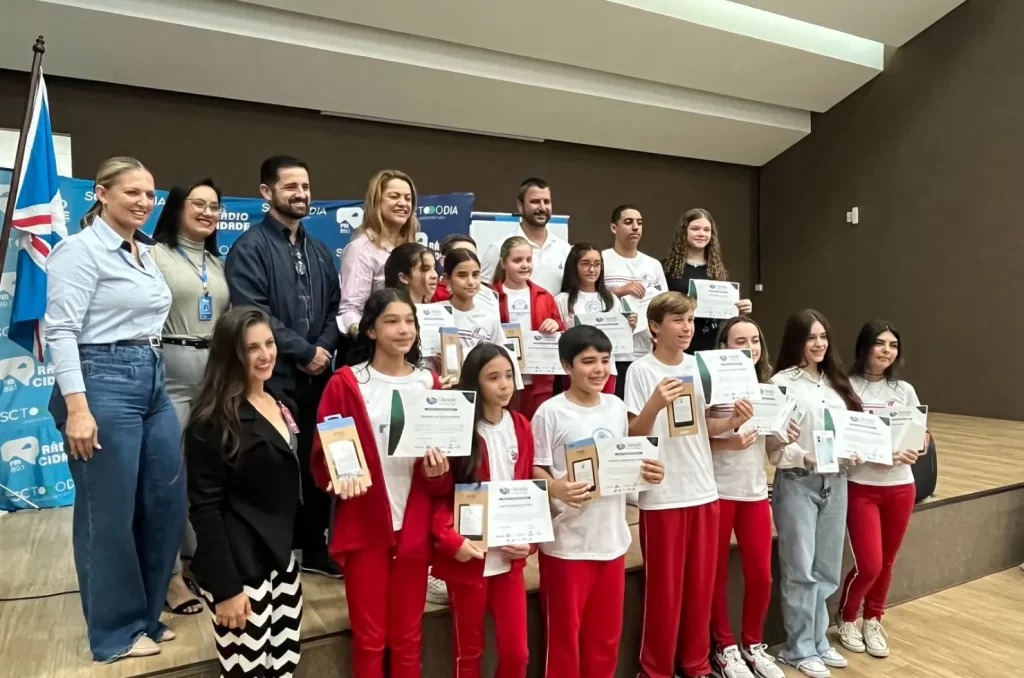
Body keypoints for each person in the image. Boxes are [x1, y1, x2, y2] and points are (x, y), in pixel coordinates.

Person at [44, 156, 184, 661]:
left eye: (150, 194)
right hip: (100, 380)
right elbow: (60, 332)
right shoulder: (78, 252)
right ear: (101, 194)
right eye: (132, 193)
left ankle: (147, 614)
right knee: (109, 513)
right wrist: (79, 410)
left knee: (164, 504)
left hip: (151, 378)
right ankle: (113, 634)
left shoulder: (143, 252)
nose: (144, 202)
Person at [310, 288, 452, 678]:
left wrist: (437, 474)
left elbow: (444, 477)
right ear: (370, 330)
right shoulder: (346, 383)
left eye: (409, 321)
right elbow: (324, 460)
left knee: (408, 637)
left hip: (414, 527)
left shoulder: (430, 383)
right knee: (370, 638)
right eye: (391, 321)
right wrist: (342, 479)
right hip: (366, 526)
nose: (403, 329)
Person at [225, 155, 343, 578]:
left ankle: (314, 548)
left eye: (306, 187)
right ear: (266, 193)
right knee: (271, 472)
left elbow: (335, 307)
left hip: (320, 377)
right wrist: (303, 352)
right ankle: (269, 557)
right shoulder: (249, 248)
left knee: (318, 465)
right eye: (291, 186)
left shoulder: (321, 250)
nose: (301, 194)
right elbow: (253, 313)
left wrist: (324, 348)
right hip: (271, 379)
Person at [624, 292, 752, 678]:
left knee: (700, 589)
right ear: (655, 326)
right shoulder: (640, 371)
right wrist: (654, 405)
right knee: (664, 593)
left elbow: (706, 426)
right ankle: (656, 670)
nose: (686, 328)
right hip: (662, 496)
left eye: (691, 320)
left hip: (704, 489)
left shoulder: (702, 366)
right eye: (678, 321)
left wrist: (733, 421)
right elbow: (632, 434)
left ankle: (696, 665)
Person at [532, 326, 665, 678]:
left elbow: (626, 460)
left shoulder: (616, 406)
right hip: (567, 545)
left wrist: (646, 473)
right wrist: (555, 487)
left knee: (605, 639)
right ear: (566, 365)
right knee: (564, 641)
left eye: (605, 361)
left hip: (611, 540)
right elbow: (534, 467)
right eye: (588, 361)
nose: (599, 369)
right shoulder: (550, 412)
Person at [185, 306, 303, 678]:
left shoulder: (283, 403)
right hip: (240, 569)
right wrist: (227, 589)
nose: (265, 354)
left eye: (269, 343)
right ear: (231, 354)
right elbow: (204, 509)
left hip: (281, 561)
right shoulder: (211, 421)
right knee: (246, 672)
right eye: (252, 348)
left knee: (283, 667)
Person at [151, 177, 231, 617]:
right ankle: (170, 578)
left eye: (214, 206)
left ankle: (201, 561)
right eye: (197, 203)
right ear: (177, 208)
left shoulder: (217, 263)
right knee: (172, 477)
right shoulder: (154, 255)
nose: (207, 212)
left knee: (208, 475)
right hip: (170, 378)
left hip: (213, 380)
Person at [431, 343, 535, 677]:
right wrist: (450, 541)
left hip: (509, 559)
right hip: (469, 557)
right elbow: (441, 496)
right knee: (469, 652)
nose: (504, 384)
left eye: (508, 375)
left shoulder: (521, 425)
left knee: (517, 653)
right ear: (475, 383)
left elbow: (528, 494)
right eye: (493, 377)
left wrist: (530, 543)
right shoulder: (460, 428)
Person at [770, 310, 863, 678]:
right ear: (796, 341)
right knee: (799, 568)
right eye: (811, 337)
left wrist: (855, 453)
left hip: (836, 481)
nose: (819, 343)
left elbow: (852, 430)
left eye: (823, 336)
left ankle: (818, 639)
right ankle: (797, 648)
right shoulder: (781, 383)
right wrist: (803, 455)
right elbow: (773, 446)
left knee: (826, 567)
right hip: (797, 481)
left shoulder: (836, 383)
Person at [708, 317, 795, 678]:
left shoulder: (768, 386)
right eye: (739, 341)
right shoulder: (711, 384)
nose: (749, 348)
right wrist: (729, 431)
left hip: (755, 491)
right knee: (716, 575)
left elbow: (768, 440)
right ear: (724, 347)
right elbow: (695, 432)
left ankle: (753, 644)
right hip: (716, 490)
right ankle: (724, 647)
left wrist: (784, 435)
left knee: (761, 575)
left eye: (755, 340)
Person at [837, 321, 927, 660]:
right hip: (862, 486)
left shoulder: (904, 390)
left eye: (893, 345)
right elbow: (845, 439)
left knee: (887, 562)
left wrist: (915, 447)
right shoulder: (846, 386)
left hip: (901, 487)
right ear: (864, 347)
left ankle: (873, 618)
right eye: (880, 343)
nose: (887, 350)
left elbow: (917, 437)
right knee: (870, 564)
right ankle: (847, 616)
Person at [338, 169, 420, 332]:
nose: (403, 203)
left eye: (408, 198)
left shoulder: (413, 248)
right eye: (394, 196)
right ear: (377, 201)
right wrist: (368, 337)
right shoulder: (360, 249)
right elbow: (351, 309)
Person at [491, 236, 563, 418]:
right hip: (503, 379)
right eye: (517, 260)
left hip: (538, 380)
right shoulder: (490, 295)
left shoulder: (544, 295)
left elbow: (560, 328)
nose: (524, 265)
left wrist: (556, 324)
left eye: (528, 260)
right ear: (503, 263)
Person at [663, 209, 752, 353]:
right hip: (677, 346)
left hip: (712, 346)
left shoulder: (718, 271)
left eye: (706, 230)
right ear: (683, 231)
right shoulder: (666, 269)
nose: (701, 234)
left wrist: (740, 309)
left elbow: (726, 315)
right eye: (695, 229)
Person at [601, 205, 667, 397]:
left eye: (639, 223)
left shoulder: (653, 265)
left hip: (643, 350)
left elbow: (664, 305)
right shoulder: (602, 260)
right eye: (628, 222)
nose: (635, 227)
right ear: (614, 228)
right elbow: (590, 299)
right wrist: (619, 291)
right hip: (612, 351)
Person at [555, 242, 634, 396]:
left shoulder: (611, 299)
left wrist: (629, 326)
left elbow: (620, 339)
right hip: (576, 371)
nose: (592, 269)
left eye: (597, 264)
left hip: (607, 370)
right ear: (574, 266)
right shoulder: (562, 300)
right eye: (585, 264)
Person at [480, 178, 571, 295]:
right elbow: (482, 296)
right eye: (535, 201)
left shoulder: (565, 249)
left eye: (547, 202)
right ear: (520, 205)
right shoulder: (498, 249)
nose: (542, 208)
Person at [445, 249, 507, 355]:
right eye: (462, 275)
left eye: (475, 275)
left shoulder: (490, 318)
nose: (470, 282)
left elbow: (502, 356)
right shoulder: (436, 314)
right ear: (447, 279)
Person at [432, 233, 476, 303]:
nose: (469, 260)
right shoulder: (431, 294)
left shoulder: (488, 295)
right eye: (461, 255)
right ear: (443, 261)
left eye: (473, 256)